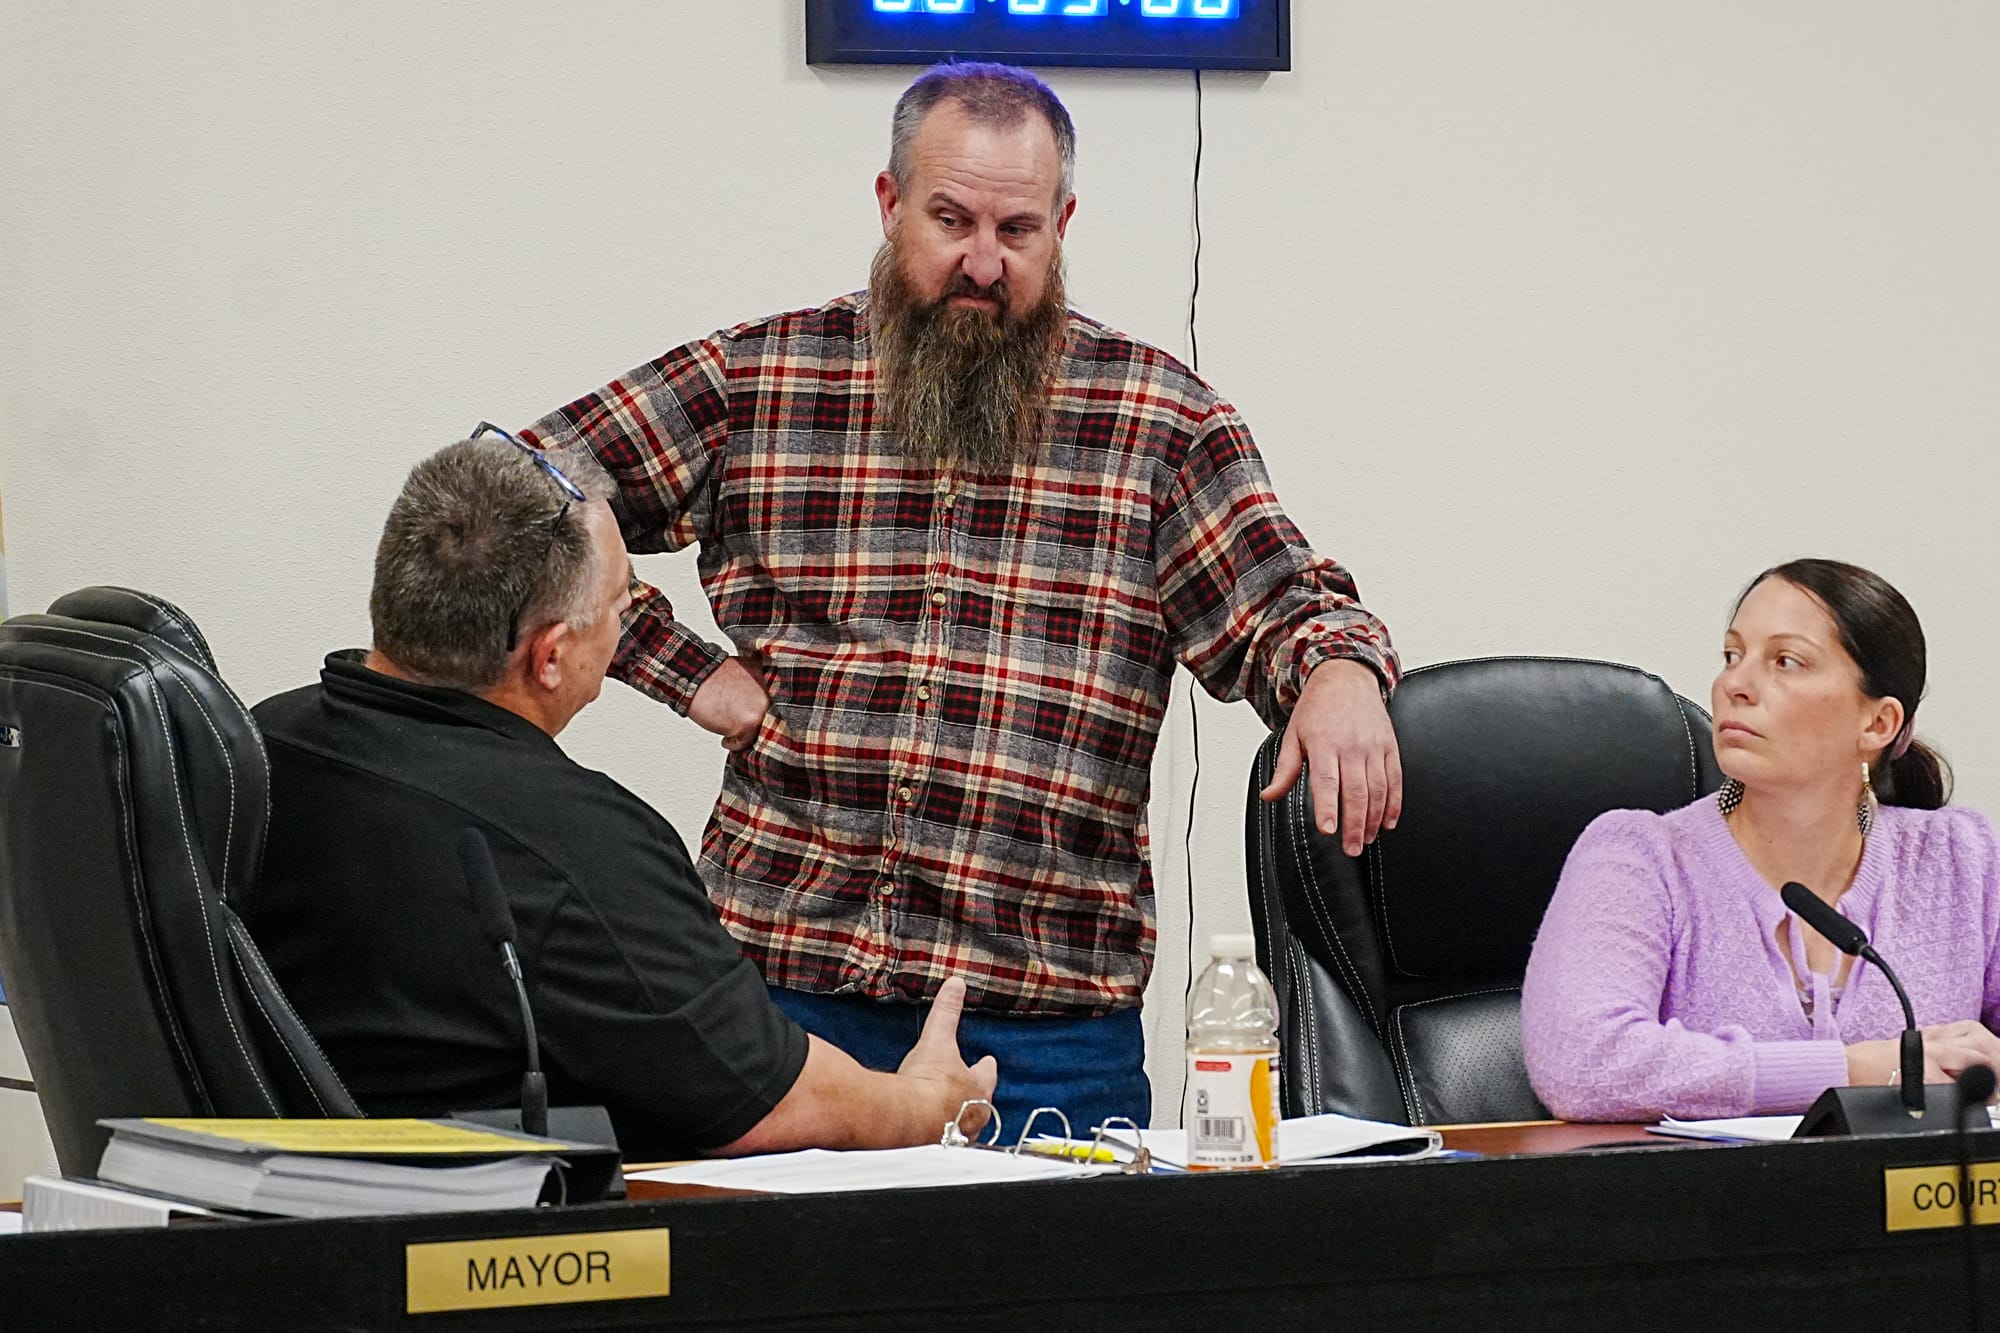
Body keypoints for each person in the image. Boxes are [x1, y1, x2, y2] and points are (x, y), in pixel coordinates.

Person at [517, 62, 1402, 1132]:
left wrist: (1339, 670)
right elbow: (525, 492)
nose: (981, 262)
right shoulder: (763, 376)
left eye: (1017, 230)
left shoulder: (1157, 422)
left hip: (1046, 1028)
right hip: (783, 1000)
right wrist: (683, 670)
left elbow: (1289, 605)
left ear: (1062, 224)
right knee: (777, 1301)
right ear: (890, 206)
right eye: (950, 220)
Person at [248, 431, 996, 1161]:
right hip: (501, 1244)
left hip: (281, 1218)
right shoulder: (577, 845)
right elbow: (765, 1100)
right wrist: (929, 1101)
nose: (619, 628)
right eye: (616, 605)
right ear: (551, 657)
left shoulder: (254, 745)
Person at [1522, 558, 2000, 1122]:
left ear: (1878, 724)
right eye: (1732, 655)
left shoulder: (1962, 860)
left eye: (1785, 662)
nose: (1735, 684)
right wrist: (1855, 1071)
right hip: (1699, 1206)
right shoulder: (1640, 857)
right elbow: (1584, 1064)